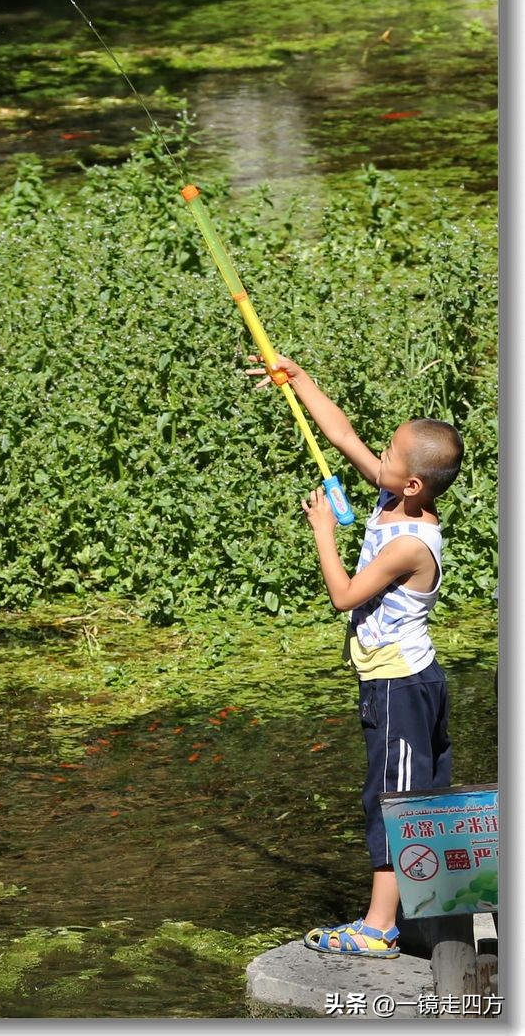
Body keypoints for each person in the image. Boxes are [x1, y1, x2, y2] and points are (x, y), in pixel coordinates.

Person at [248, 353, 464, 958]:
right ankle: (428, 911)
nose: (380, 459)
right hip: (407, 679)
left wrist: (323, 532)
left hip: (399, 687)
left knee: (394, 802)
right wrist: (297, 378)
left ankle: (379, 929)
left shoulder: (409, 544)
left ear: (414, 483)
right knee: (418, 795)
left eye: (390, 457)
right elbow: (341, 433)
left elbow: (344, 595)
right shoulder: (398, 498)